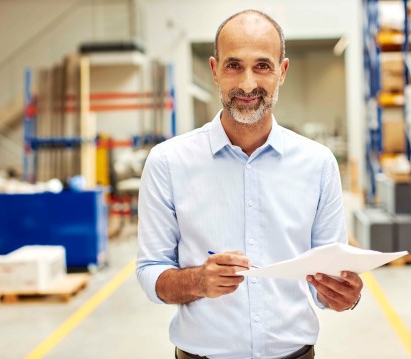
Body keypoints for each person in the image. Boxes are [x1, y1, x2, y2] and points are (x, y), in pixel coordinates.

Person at [136, 9, 363, 359]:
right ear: (214, 70)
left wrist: (345, 294)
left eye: (262, 66)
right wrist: (198, 281)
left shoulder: (317, 165)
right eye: (233, 66)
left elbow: (328, 282)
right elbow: (151, 272)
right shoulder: (168, 163)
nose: (246, 84)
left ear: (282, 72)